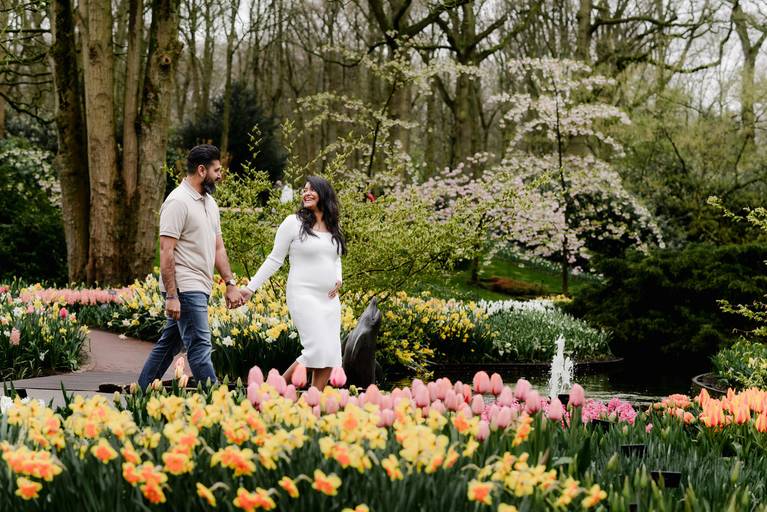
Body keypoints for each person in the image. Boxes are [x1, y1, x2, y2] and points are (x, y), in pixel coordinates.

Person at [137, 144, 242, 390]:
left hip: (200, 285)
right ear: (202, 170)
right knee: (200, 344)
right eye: (217, 170)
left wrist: (230, 283)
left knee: (169, 344)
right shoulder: (177, 202)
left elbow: (219, 248)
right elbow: (166, 251)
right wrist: (172, 295)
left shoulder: (210, 203)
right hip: (185, 286)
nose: (220, 175)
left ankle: (139, 393)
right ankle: (218, 402)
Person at [240, 176, 345, 389]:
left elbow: (336, 257)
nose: (306, 193)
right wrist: (251, 287)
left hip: (329, 300)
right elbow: (275, 259)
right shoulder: (293, 223)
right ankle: (270, 391)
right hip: (303, 294)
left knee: (330, 352)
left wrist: (338, 277)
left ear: (324, 194)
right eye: (304, 190)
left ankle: (312, 406)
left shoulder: (333, 225)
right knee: (315, 349)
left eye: (311, 190)